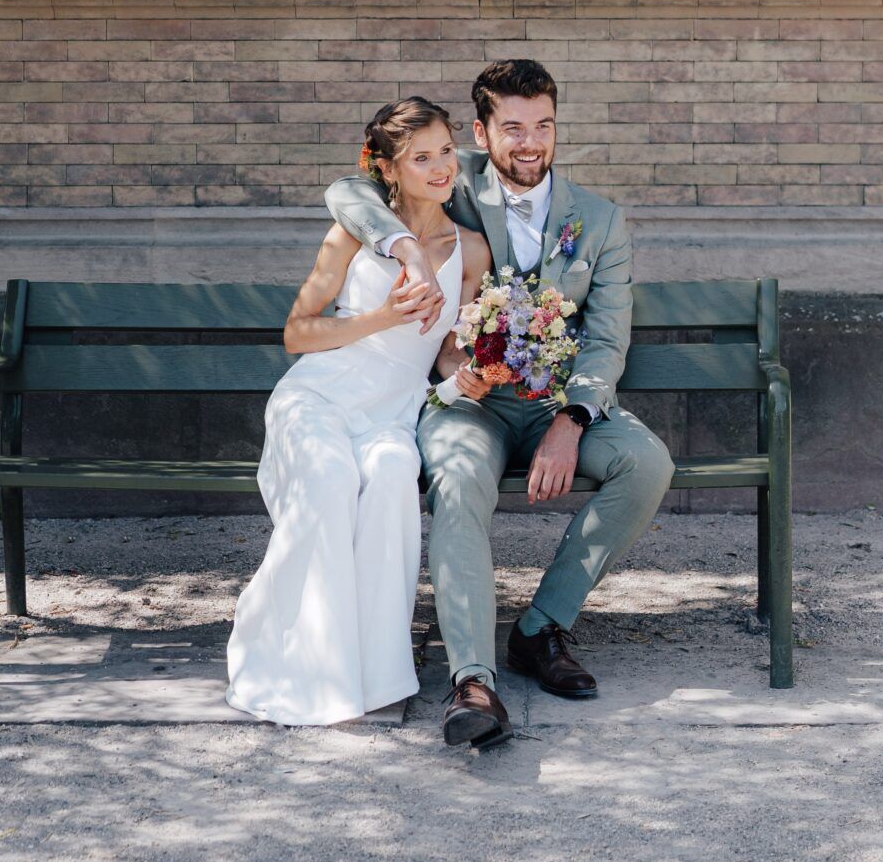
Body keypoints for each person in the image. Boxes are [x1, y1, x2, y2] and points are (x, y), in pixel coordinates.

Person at [325, 58, 674, 751]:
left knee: (647, 463)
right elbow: (348, 191)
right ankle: (472, 680)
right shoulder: (452, 194)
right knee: (455, 479)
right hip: (471, 404)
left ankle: (541, 629)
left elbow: (605, 339)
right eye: (511, 127)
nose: (529, 143)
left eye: (542, 126)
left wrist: (572, 420)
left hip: (554, 403)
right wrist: (405, 247)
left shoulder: (599, 221)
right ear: (481, 135)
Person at [227, 97, 494, 728]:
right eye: (420, 158)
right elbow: (296, 334)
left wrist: (472, 374)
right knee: (329, 480)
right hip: (320, 395)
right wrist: (383, 317)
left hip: (392, 413)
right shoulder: (354, 231)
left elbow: (447, 349)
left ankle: (377, 671)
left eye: (446, 153)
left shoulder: (472, 251)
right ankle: (300, 662)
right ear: (390, 170)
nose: (439, 168)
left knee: (395, 477)